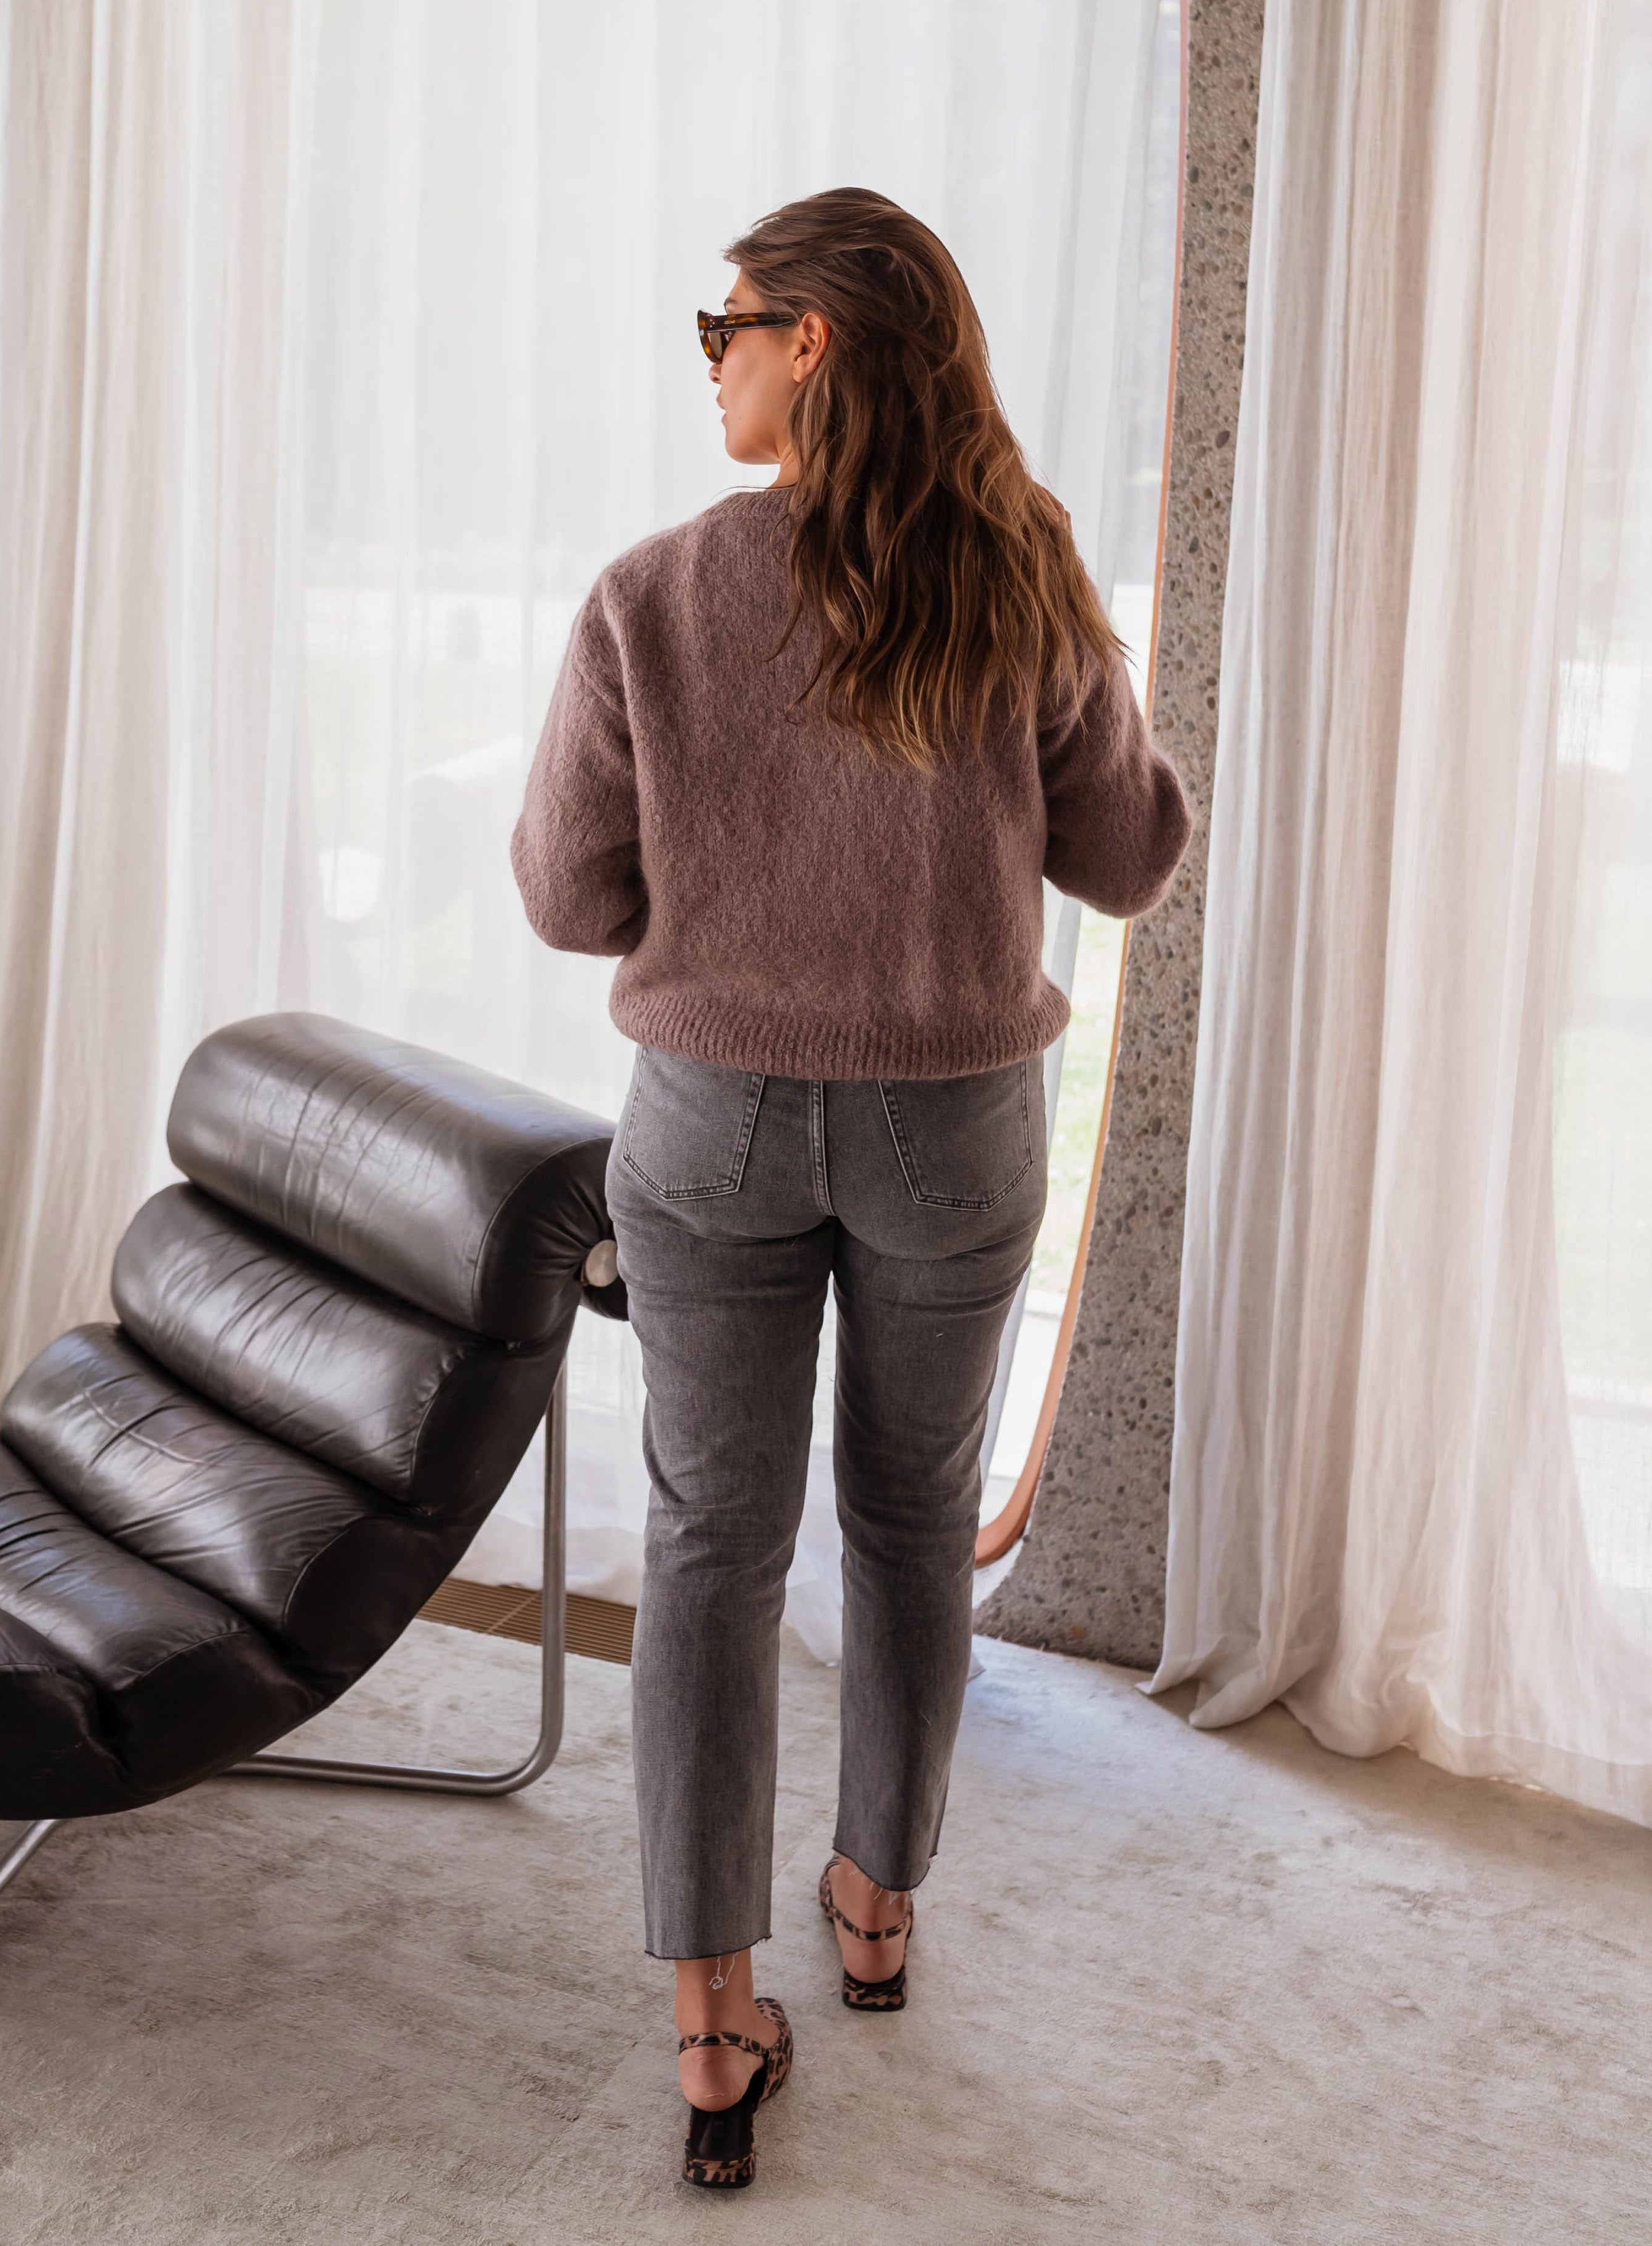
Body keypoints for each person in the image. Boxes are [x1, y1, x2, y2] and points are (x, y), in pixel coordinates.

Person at [511, 186, 1190, 2190]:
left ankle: (713, 2029)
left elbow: (566, 897)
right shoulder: (1020, 565)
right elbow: (1129, 856)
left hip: (707, 1122)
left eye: (720, 321)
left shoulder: (651, 591)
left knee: (713, 1541)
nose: (707, 352)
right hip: (950, 1121)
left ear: (806, 342)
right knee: (907, 1520)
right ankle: (874, 1907)